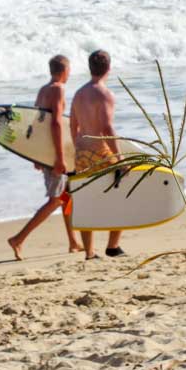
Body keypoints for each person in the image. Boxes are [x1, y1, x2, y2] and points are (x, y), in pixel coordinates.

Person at [7, 55, 83, 260]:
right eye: (69, 70)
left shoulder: (43, 90)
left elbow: (35, 123)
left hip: (46, 151)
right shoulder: (58, 89)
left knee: (67, 197)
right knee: (56, 200)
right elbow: (56, 123)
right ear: (64, 71)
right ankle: (19, 239)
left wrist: (36, 154)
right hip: (54, 152)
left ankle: (74, 242)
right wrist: (59, 158)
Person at [70, 50, 125, 259]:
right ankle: (112, 246)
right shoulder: (105, 94)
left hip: (82, 151)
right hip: (100, 150)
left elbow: (73, 125)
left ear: (89, 68)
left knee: (86, 199)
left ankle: (89, 252)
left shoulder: (79, 93)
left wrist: (78, 146)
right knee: (122, 193)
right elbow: (106, 128)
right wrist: (119, 159)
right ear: (109, 68)